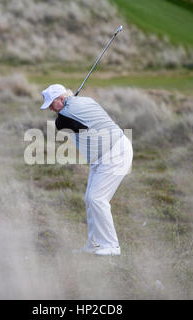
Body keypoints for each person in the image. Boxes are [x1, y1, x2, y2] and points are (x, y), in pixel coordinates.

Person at [40, 84, 133, 256]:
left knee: (97, 199)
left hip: (115, 153)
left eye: (52, 104)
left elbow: (62, 124)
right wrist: (69, 104)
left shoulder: (67, 113)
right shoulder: (82, 102)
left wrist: (67, 109)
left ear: (61, 99)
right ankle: (95, 245)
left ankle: (111, 246)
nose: (51, 109)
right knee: (90, 199)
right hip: (103, 157)